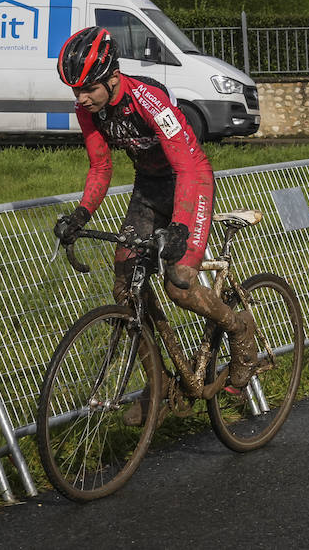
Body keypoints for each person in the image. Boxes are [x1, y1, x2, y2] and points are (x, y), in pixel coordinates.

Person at [51, 26, 259, 406]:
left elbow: (185, 166)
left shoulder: (149, 99)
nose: (81, 98)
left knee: (179, 282)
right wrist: (81, 214)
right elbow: (100, 167)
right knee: (125, 287)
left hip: (190, 180)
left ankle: (239, 326)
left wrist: (179, 227)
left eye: (88, 89)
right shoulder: (89, 109)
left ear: (113, 76)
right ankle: (159, 387)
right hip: (148, 186)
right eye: (75, 90)